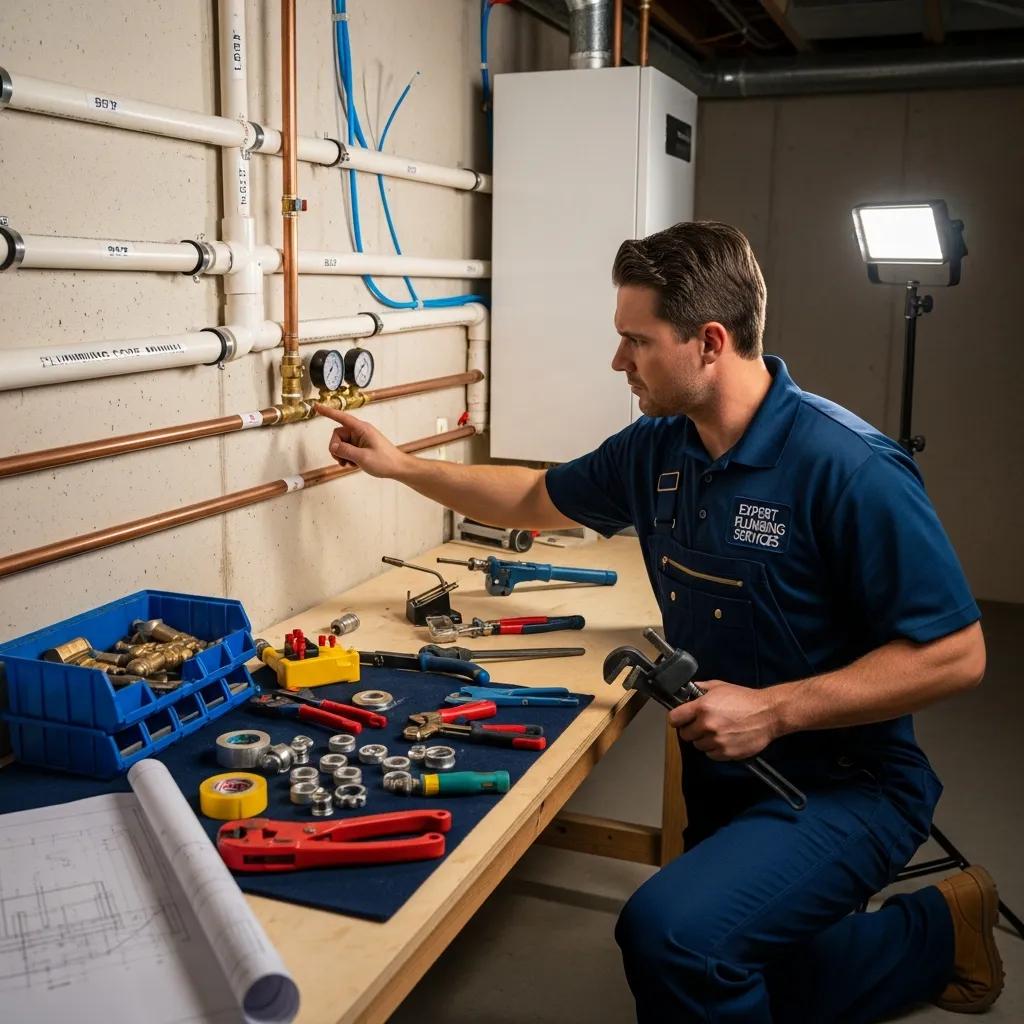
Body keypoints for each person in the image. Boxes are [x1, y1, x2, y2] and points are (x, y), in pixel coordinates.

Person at [315, 221, 1003, 1022]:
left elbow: (959, 656)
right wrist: (398, 465)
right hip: (728, 779)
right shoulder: (658, 450)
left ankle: (913, 931)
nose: (619, 363)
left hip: (845, 789)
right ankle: (934, 932)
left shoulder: (848, 468)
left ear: (710, 341)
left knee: (673, 936)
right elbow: (534, 502)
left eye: (636, 341)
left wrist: (775, 708)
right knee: (752, 974)